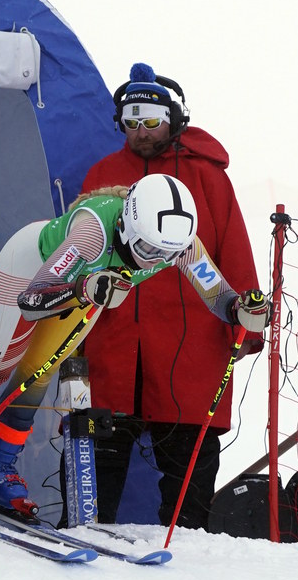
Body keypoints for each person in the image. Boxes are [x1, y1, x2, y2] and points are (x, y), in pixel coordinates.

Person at [0, 173, 268, 521]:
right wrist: (84, 290)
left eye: (167, 255)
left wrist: (242, 309)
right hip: (31, 269)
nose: (154, 261)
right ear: (128, 226)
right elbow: (31, 299)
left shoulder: (180, 242)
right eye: (148, 249)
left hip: (87, 286)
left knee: (36, 375)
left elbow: (216, 293)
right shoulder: (93, 233)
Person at [77, 62, 264, 530]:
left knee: (189, 460)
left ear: (174, 118)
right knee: (101, 450)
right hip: (114, 341)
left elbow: (233, 254)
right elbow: (79, 250)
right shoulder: (102, 174)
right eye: (131, 122)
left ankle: (189, 546)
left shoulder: (208, 177)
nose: (141, 132)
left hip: (190, 344)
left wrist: (245, 317)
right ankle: (88, 533)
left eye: (151, 121)